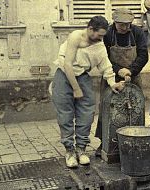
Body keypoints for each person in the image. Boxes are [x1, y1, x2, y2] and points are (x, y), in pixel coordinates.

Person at [51, 16, 125, 168]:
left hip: (83, 76)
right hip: (65, 75)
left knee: (86, 113)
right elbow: (68, 64)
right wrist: (76, 89)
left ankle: (81, 149)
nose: (102, 38)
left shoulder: (99, 44)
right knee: (65, 115)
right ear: (91, 29)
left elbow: (105, 64)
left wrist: (113, 83)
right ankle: (70, 151)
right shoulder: (75, 36)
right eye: (100, 34)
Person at [94, 8, 149, 157]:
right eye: (121, 25)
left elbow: (143, 55)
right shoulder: (108, 34)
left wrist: (131, 71)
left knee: (135, 108)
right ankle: (104, 142)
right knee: (107, 109)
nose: (124, 28)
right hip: (111, 76)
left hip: (133, 76)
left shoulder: (137, 33)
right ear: (115, 22)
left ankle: (137, 139)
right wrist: (118, 70)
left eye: (127, 25)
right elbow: (103, 57)